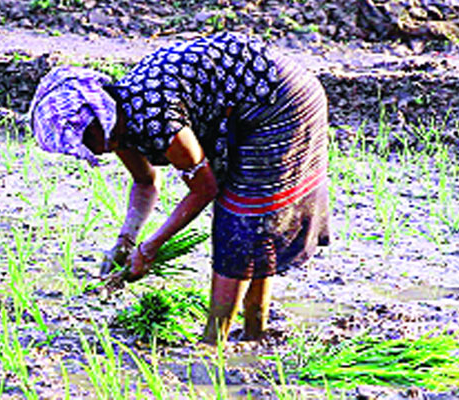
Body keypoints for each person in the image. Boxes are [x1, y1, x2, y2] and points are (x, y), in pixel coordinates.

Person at [29, 32, 330, 344]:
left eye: (87, 141)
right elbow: (145, 183)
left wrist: (150, 248)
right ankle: (255, 333)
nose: (96, 150)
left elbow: (204, 188)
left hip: (280, 102)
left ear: (98, 118)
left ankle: (214, 342)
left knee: (238, 222)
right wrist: (126, 241)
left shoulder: (152, 115)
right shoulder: (117, 124)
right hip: (252, 101)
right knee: (248, 222)